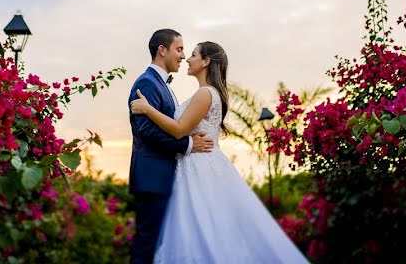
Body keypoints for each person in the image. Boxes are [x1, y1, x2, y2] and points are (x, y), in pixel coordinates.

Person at [130, 41, 310, 263]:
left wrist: (148, 109)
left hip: (199, 167)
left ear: (206, 61)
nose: (188, 58)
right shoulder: (205, 93)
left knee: (201, 228)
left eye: (193, 54)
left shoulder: (205, 93)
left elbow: (179, 130)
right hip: (194, 165)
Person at [128, 29, 215, 264]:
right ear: (162, 50)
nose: (183, 55)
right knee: (147, 244)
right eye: (179, 49)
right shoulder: (146, 83)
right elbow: (147, 130)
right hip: (152, 178)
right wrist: (188, 144)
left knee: (159, 245)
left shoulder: (162, 85)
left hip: (164, 177)